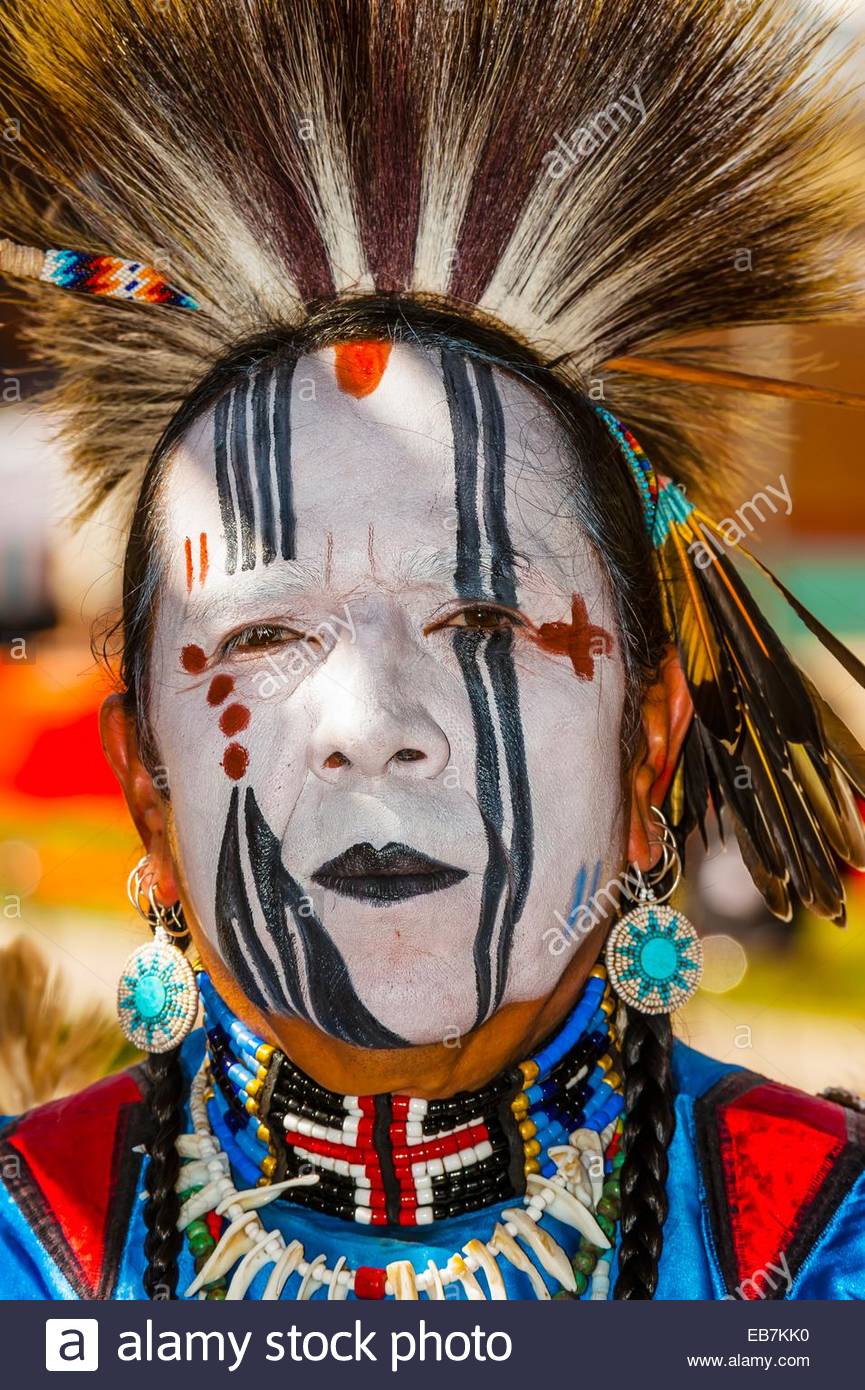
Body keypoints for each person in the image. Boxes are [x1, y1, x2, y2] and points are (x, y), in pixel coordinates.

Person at [0, 0, 864, 1301]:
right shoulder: (38, 1248)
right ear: (145, 785)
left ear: (647, 747)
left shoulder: (809, 1249)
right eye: (265, 631)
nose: (367, 718)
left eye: (481, 622)